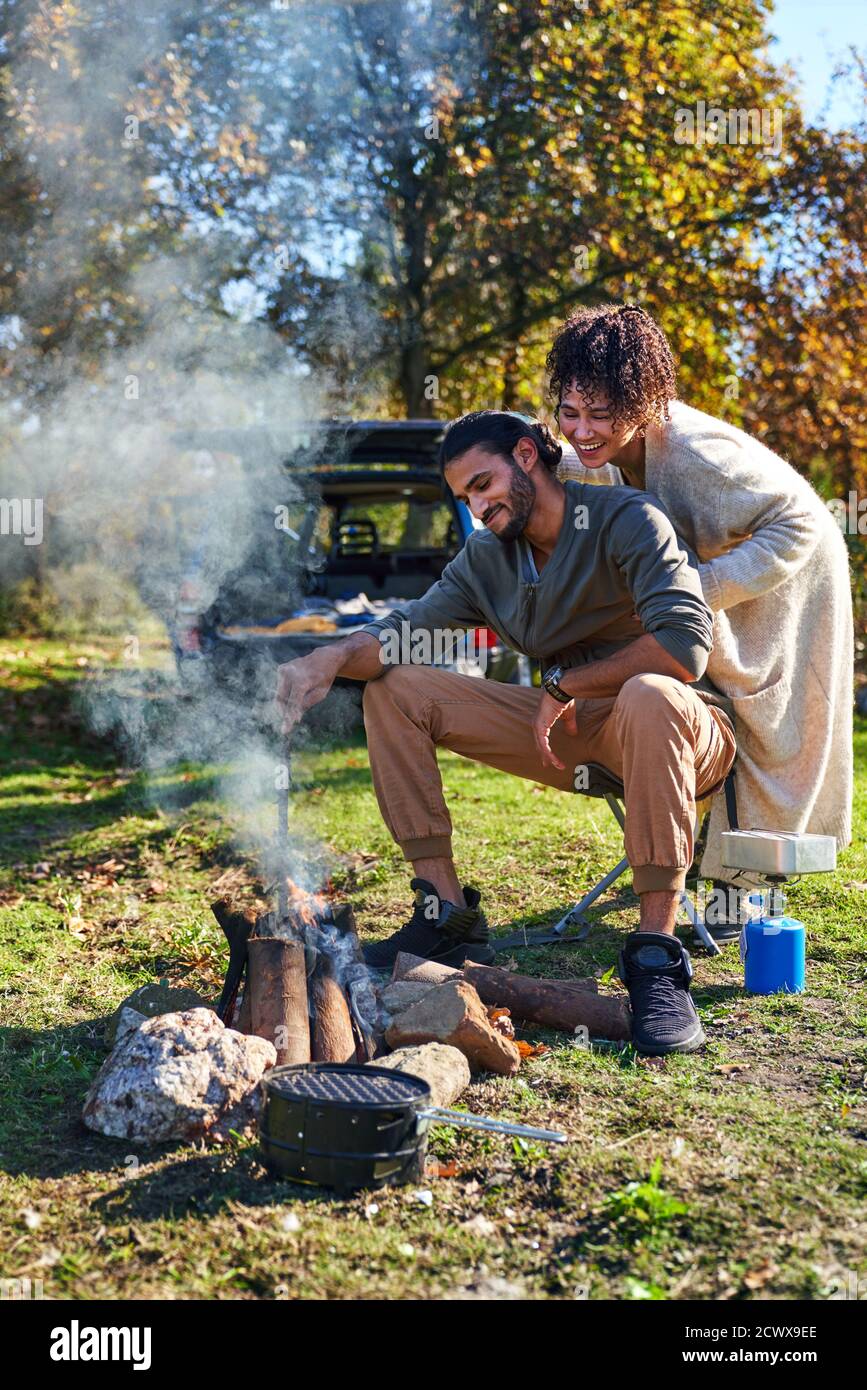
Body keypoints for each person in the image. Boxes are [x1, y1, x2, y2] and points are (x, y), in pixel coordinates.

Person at [276, 410, 737, 1056]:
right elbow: (399, 634)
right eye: (465, 496)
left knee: (649, 692)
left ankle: (656, 958)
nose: (477, 506)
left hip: (679, 728)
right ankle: (447, 920)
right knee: (395, 687)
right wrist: (325, 659)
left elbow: (683, 650)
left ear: (526, 456)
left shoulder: (624, 518)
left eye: (483, 484)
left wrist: (562, 686)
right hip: (568, 734)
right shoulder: (485, 559)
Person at [548, 303, 853, 938]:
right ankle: (707, 868)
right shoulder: (600, 447)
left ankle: (747, 882)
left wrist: (693, 592)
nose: (582, 430)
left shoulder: (696, 454)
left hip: (789, 577)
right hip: (717, 583)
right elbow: (559, 462)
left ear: (639, 400)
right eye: (569, 411)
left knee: (771, 724)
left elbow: (799, 521)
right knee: (696, 704)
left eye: (600, 414)